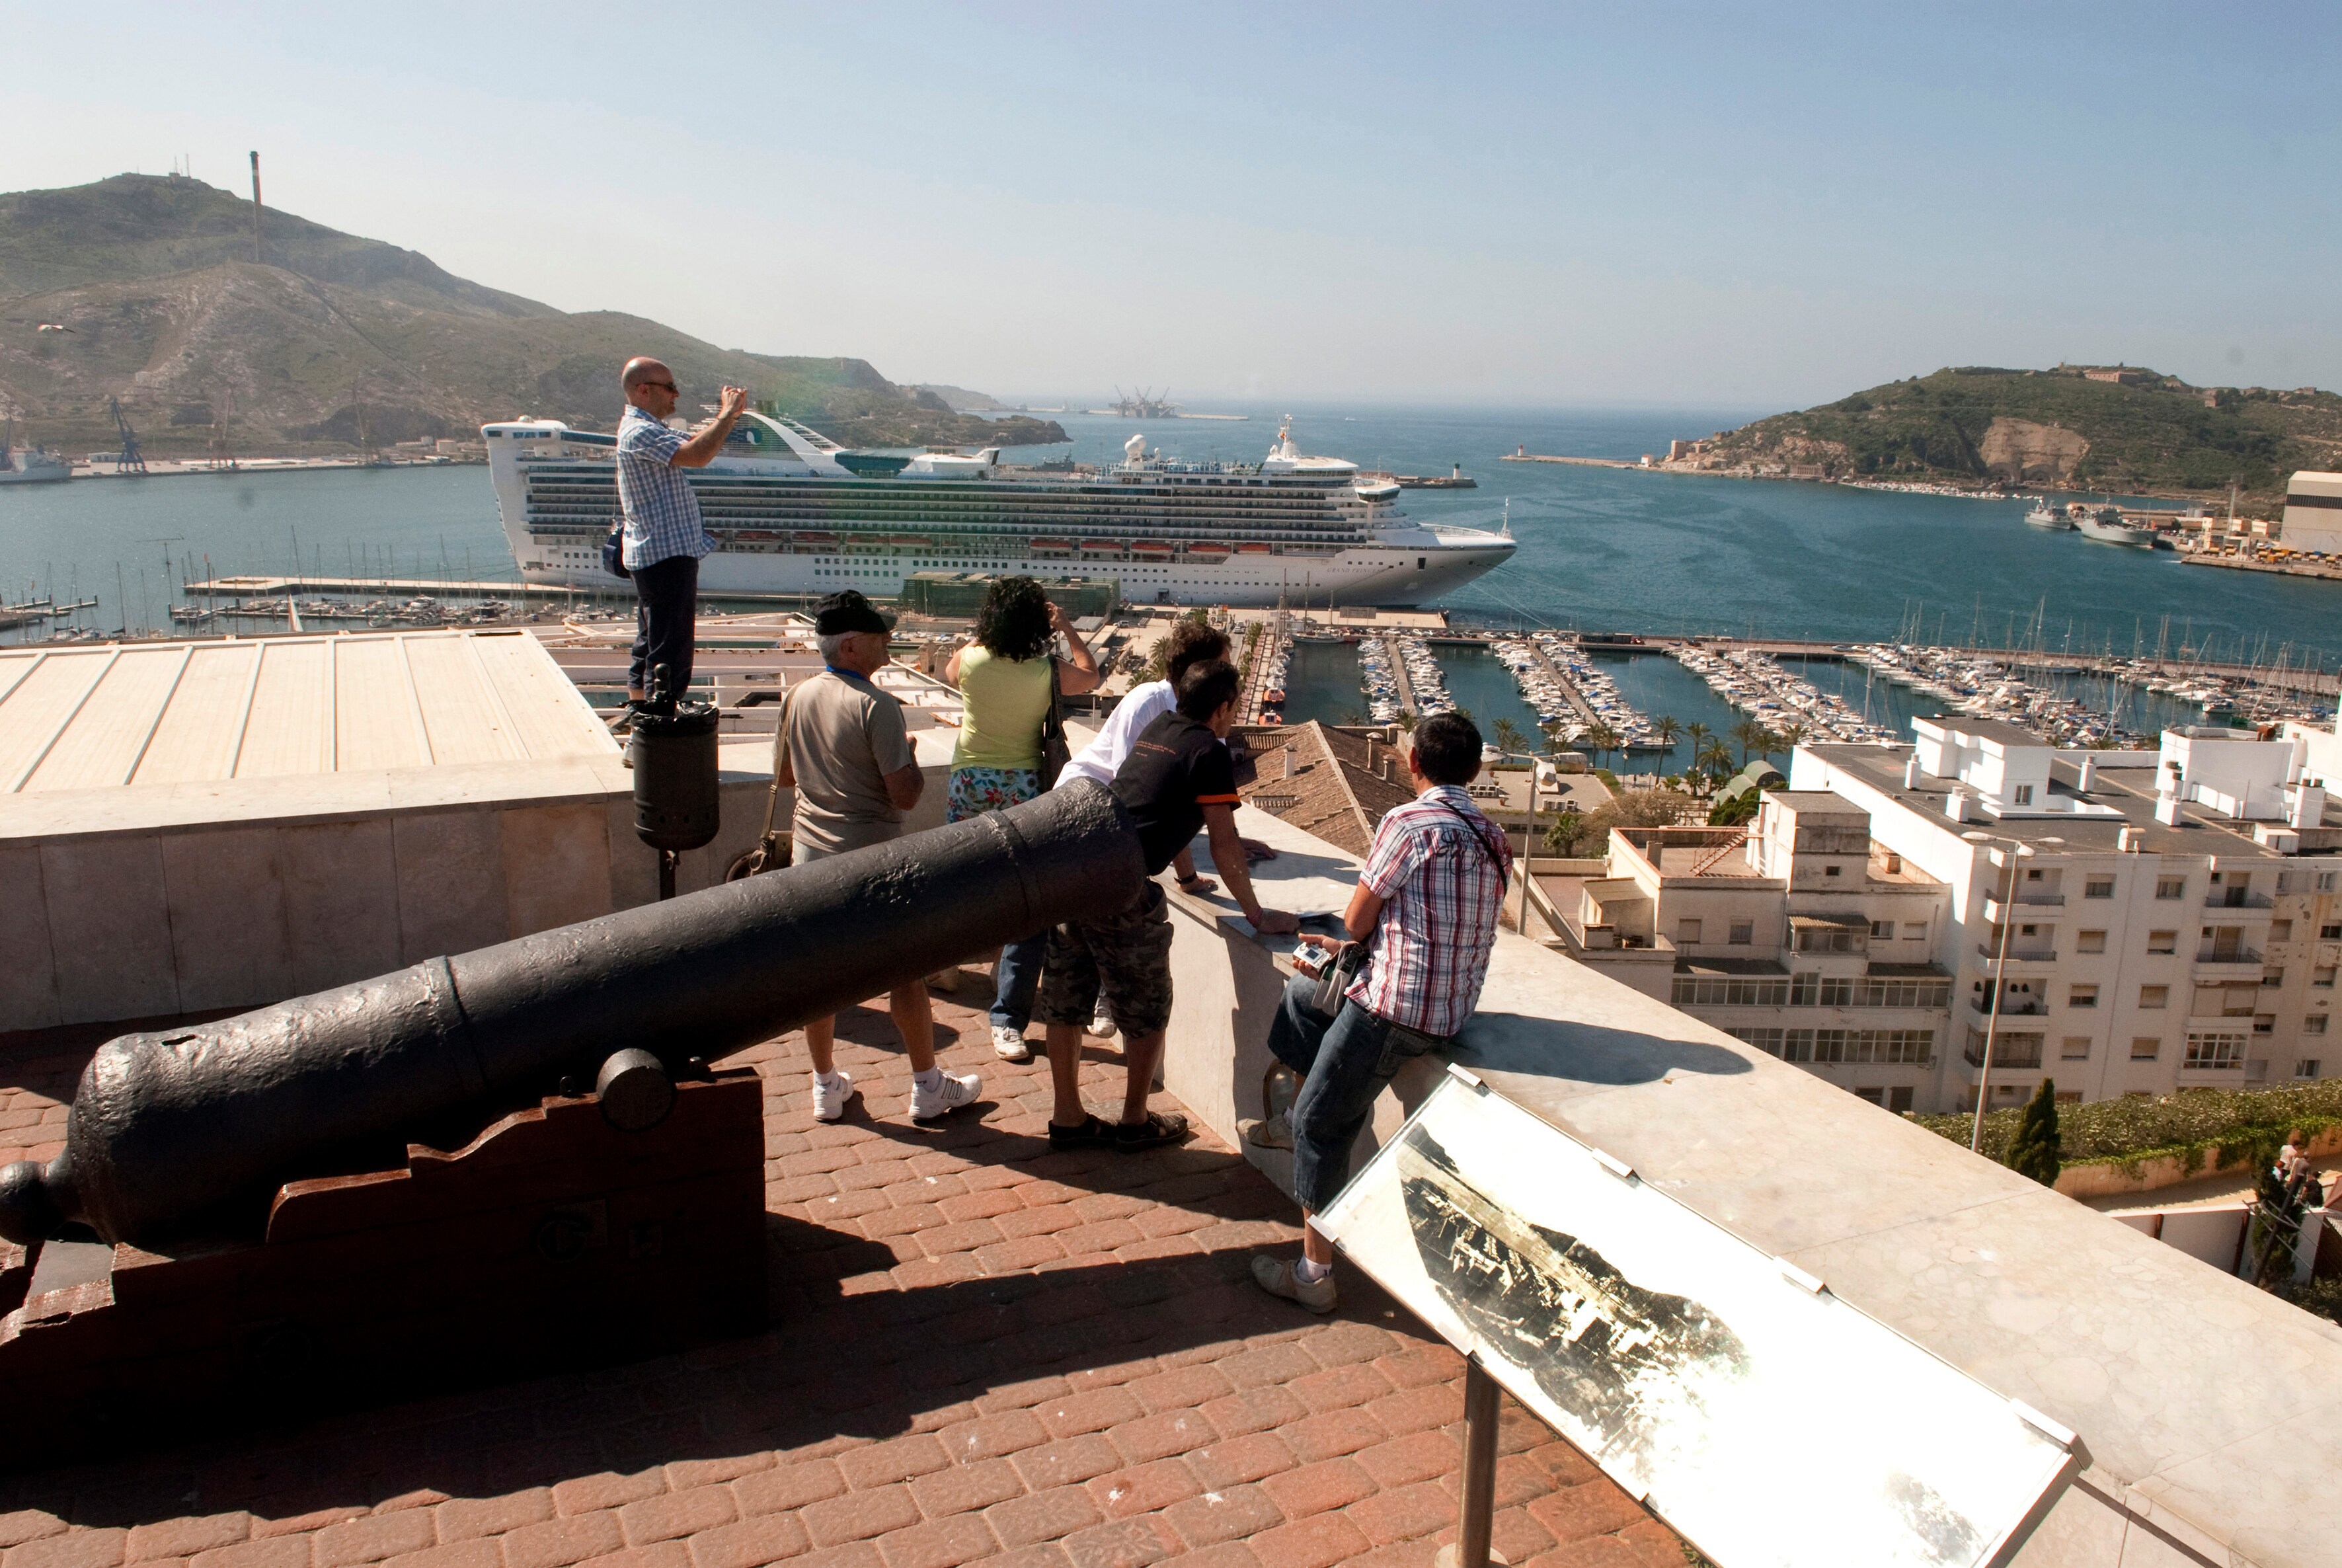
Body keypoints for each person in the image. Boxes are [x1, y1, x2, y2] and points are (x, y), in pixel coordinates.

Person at [1250, 711, 1512, 1313]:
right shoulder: (1492, 837)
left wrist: (1354, 938)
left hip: (1393, 1009)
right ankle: (1294, 1115)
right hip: (1450, 1010)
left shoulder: (1406, 821)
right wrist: (1353, 949)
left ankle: (1314, 1274)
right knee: (1302, 999)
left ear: (1413, 762)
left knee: (1324, 1127)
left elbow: (1358, 918)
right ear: (1473, 770)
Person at [1035, 660, 1299, 1151]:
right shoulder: (1209, 751)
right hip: (1121, 884)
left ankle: (1067, 1118)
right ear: (1222, 708)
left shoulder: (1161, 726)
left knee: (1066, 999)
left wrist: (1185, 874)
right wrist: (1256, 914)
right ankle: (1134, 1122)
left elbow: (1162, 805)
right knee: (1146, 1006)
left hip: (1076, 867)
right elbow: (1222, 840)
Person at [775, 590, 982, 1124]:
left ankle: (825, 1086)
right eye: (879, 635)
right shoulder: (875, 705)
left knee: (820, 981)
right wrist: (908, 757)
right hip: (870, 860)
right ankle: (928, 1086)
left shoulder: (797, 696)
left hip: (810, 856)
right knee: (904, 974)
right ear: (850, 645)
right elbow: (905, 795)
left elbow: (788, 778)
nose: (888, 641)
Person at [1057, 617, 1246, 1034]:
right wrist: (1251, 911)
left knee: (1075, 956)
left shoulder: (1176, 722)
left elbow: (1169, 802)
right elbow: (1143, 793)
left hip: (1110, 831)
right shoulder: (1152, 704)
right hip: (1093, 817)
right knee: (1126, 955)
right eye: (1224, 665)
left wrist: (1228, 837)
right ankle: (1106, 1000)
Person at [941, 578, 1103, 1062]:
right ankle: (1007, 1016)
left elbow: (954, 666)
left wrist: (987, 628)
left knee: (962, 884)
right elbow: (1091, 674)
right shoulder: (1045, 671)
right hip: (1023, 788)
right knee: (1026, 904)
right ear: (1038, 622)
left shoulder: (969, 660)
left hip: (968, 784)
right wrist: (1067, 626)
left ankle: (946, 969)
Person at [614, 357, 748, 722]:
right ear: (644, 390)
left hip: (656, 553)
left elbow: (693, 442)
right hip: (665, 554)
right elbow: (699, 454)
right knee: (671, 648)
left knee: (651, 642)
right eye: (669, 387)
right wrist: (727, 415)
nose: (676, 395)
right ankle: (659, 723)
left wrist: (728, 418)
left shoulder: (647, 428)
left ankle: (640, 716)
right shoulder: (640, 432)